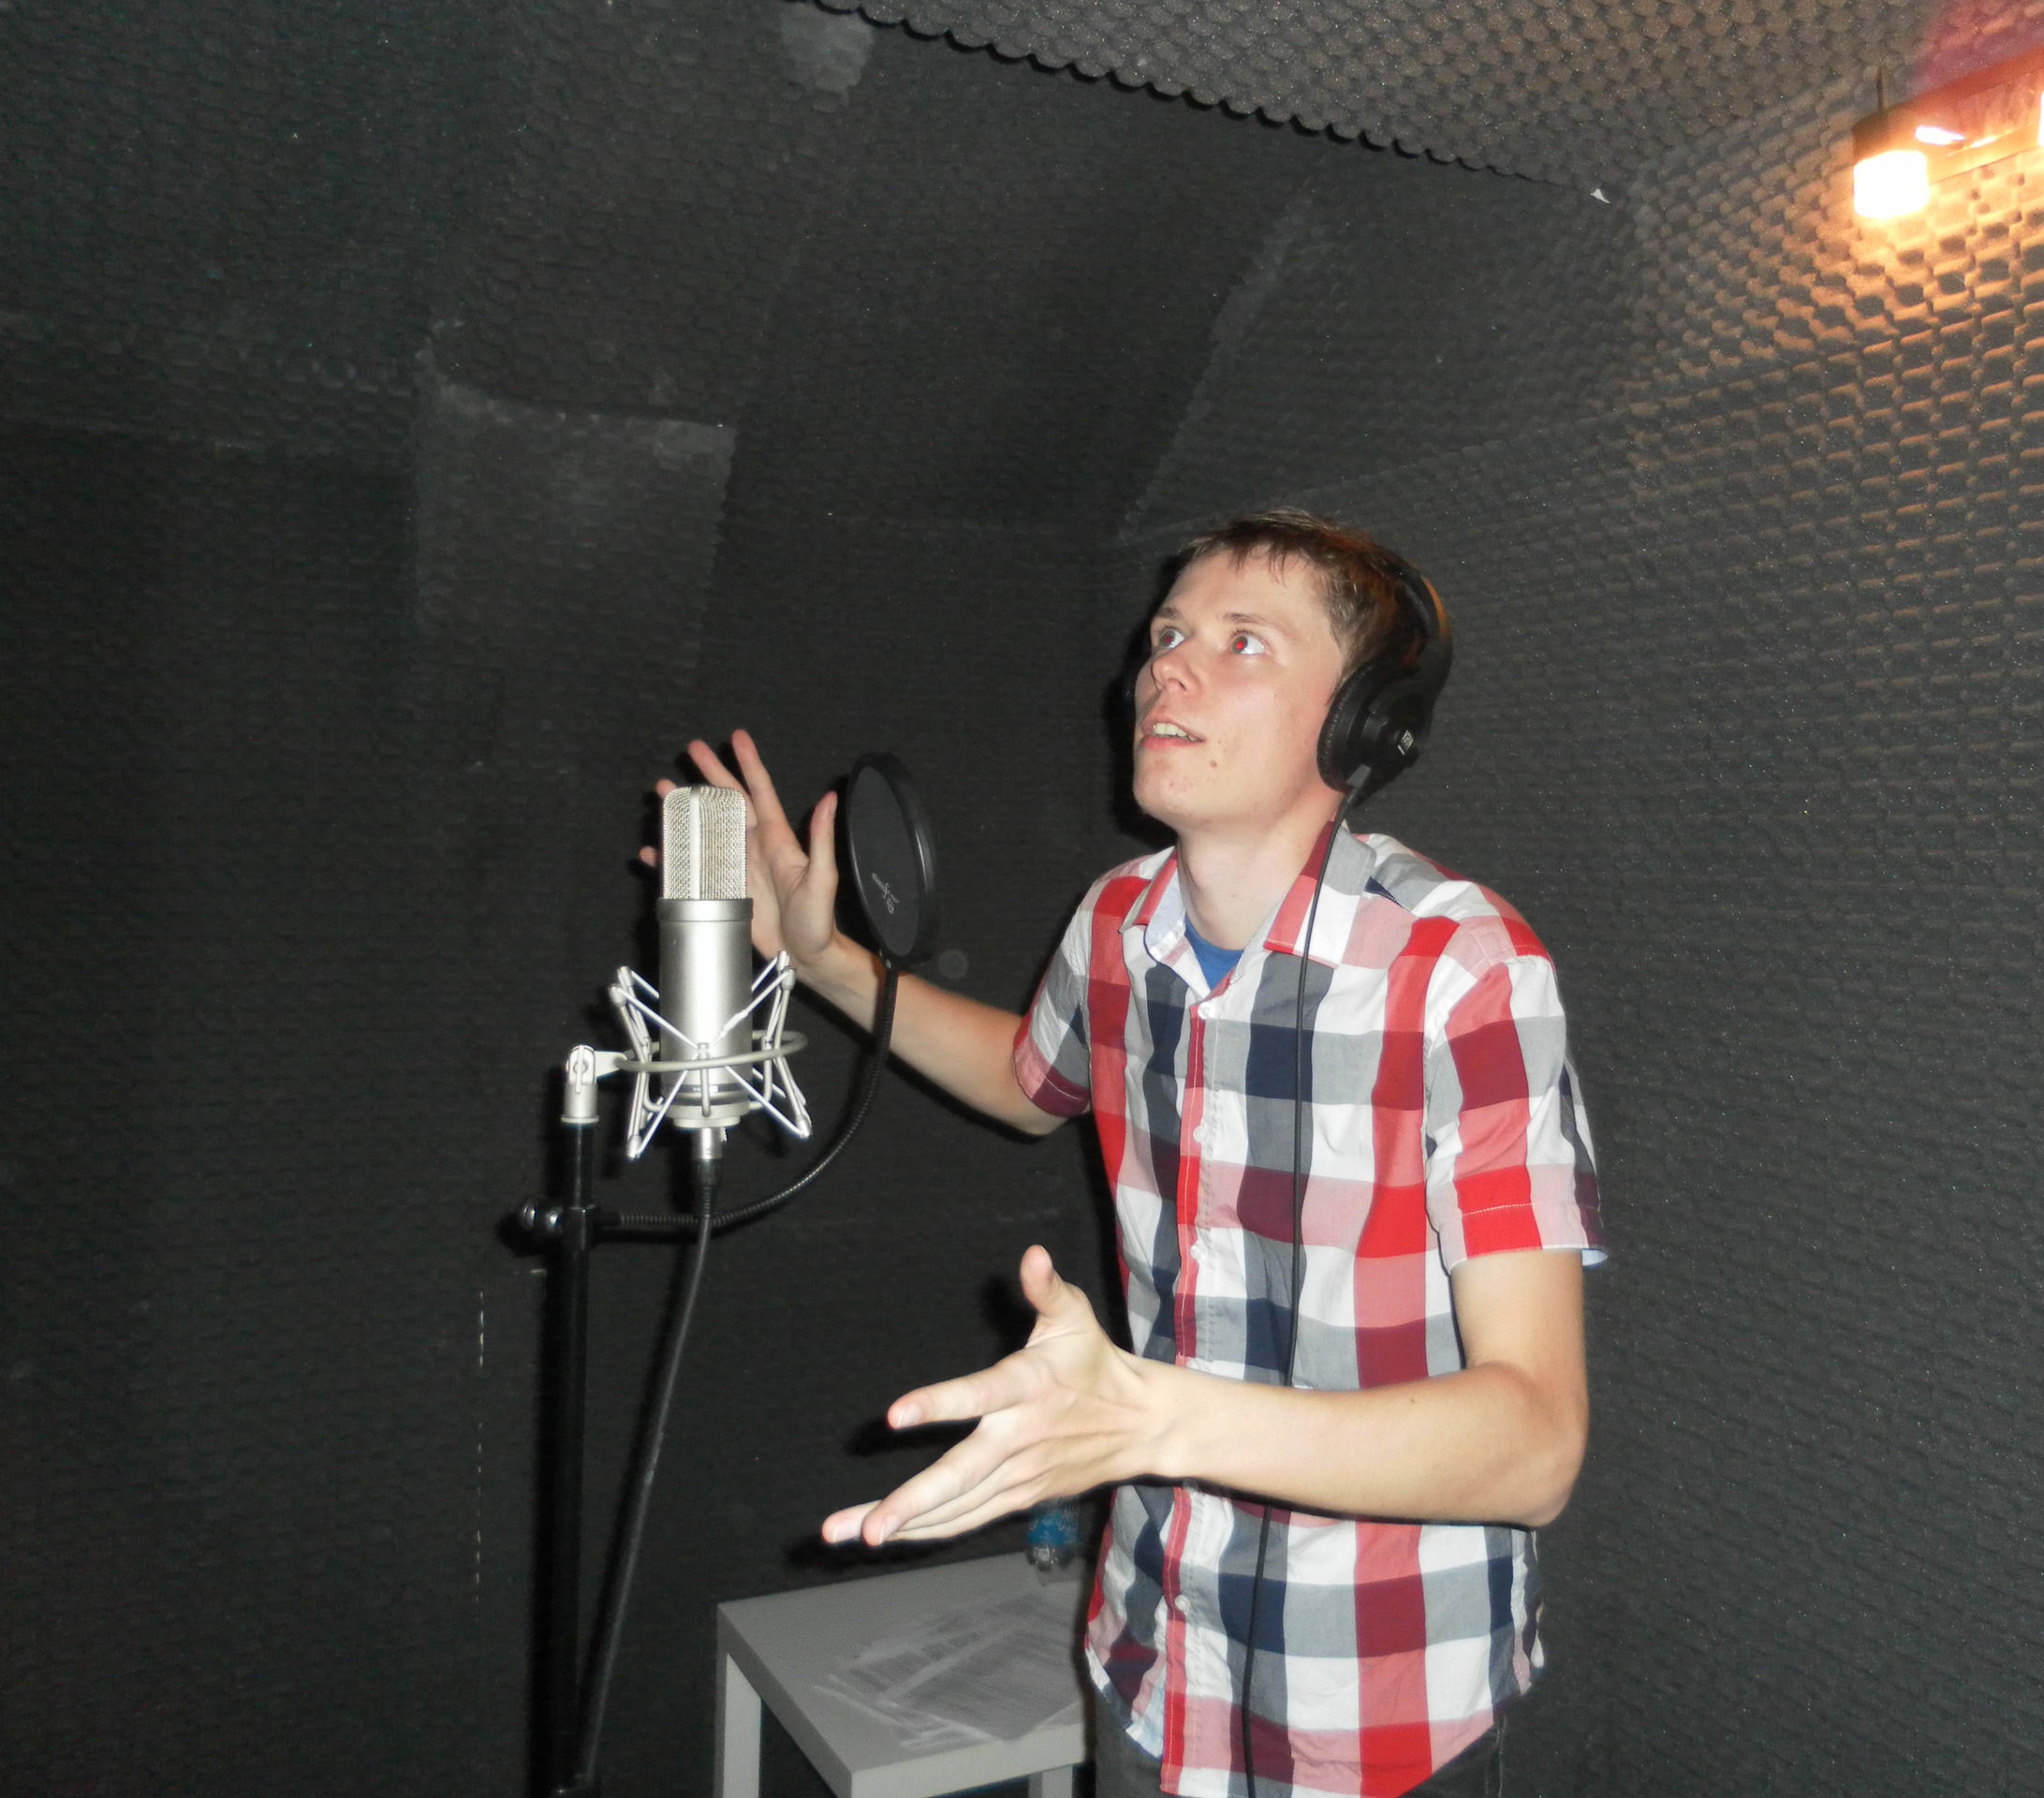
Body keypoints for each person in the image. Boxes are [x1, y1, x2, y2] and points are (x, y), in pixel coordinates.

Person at [660, 510, 1603, 1798]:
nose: (1168, 669)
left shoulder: (1462, 968)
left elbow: (1537, 1446)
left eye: (1242, 642)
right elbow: (1026, 1083)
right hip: (1150, 1663)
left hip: (1372, 1703)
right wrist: (826, 963)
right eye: (1167, 635)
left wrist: (1148, 1418)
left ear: (1362, 723)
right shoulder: (1118, 919)